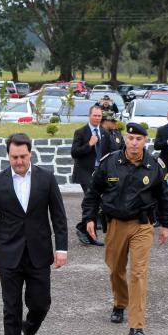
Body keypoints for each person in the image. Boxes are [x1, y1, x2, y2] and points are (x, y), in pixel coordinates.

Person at [0, 133, 68, 335]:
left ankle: (29, 331)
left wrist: (61, 248)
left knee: (41, 304)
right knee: (11, 307)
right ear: (7, 156)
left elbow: (58, 216)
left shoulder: (46, 179)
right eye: (14, 157)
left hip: (39, 253)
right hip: (8, 254)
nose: (18, 161)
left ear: (31, 153)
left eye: (22, 156)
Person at [83, 122, 168, 335]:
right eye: (131, 139)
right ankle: (120, 302)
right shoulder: (109, 163)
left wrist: (167, 225)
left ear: (145, 141)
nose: (134, 143)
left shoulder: (155, 165)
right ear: (125, 139)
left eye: (139, 139)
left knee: (139, 273)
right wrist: (89, 218)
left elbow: (165, 196)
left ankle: (136, 325)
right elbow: (93, 192)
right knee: (115, 269)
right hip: (115, 224)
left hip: (142, 226)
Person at [71, 105, 108, 246]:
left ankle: (86, 230)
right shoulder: (80, 132)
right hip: (85, 173)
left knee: (94, 202)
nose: (97, 118)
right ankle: (84, 230)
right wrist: (89, 144)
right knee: (91, 200)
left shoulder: (104, 132)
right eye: (95, 115)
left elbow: (110, 151)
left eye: (99, 116)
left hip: (99, 173)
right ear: (89, 115)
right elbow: (74, 152)